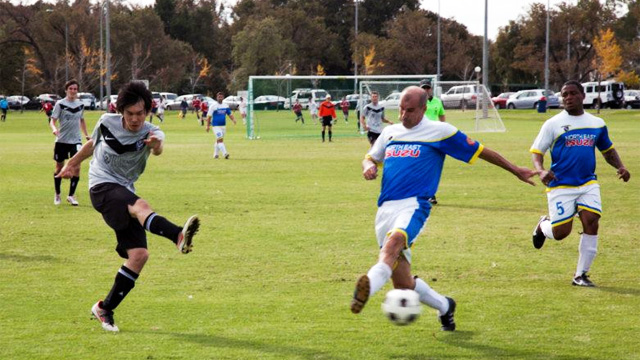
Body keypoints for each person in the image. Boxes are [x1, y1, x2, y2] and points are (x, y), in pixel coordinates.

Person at [351, 86, 538, 331]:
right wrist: (369, 167)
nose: (403, 116)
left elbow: (482, 151)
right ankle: (445, 306)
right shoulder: (390, 132)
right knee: (404, 285)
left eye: (409, 111)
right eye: (400, 110)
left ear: (424, 109)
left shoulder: (440, 132)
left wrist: (516, 170)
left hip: (415, 205)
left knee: (392, 245)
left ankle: (366, 288)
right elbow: (371, 157)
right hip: (385, 208)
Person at [56, 81, 200, 332]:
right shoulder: (106, 121)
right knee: (139, 205)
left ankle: (104, 308)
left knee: (139, 256)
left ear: (147, 112)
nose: (135, 119)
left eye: (140, 113)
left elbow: (158, 149)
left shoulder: (153, 132)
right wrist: (74, 163)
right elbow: (93, 144)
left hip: (124, 190)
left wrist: (154, 145)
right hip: (101, 186)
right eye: (130, 113)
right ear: (121, 111)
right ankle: (177, 235)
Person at [530, 80, 630, 287]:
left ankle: (580, 275)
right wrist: (540, 171)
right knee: (560, 233)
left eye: (572, 93)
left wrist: (620, 167)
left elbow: (608, 150)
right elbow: (537, 152)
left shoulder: (597, 124)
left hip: (587, 183)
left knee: (592, 221)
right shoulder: (553, 124)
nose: (568, 97)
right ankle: (542, 226)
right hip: (561, 185)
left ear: (583, 96)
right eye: (564, 94)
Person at [49, 79, 90, 206]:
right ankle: (57, 194)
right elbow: (52, 120)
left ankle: (71, 195)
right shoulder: (60, 104)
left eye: (75, 89)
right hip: (62, 141)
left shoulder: (80, 104)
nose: (73, 91)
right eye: (70, 89)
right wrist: (54, 129)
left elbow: (81, 120)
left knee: (77, 167)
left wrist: (86, 134)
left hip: (76, 140)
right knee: (59, 168)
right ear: (66, 90)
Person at [420, 79, 446, 205]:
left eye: (427, 88)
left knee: (432, 167)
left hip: (434, 138)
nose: (426, 90)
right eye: (423, 88)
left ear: (431, 89)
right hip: (420, 137)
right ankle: (427, 194)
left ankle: (429, 194)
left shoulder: (437, 102)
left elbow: (441, 115)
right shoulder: (416, 102)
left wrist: (443, 127)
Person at [206, 92, 237, 159]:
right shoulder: (213, 106)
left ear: (223, 97)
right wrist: (207, 126)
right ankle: (225, 153)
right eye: (219, 97)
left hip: (223, 126)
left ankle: (215, 154)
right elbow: (209, 116)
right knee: (220, 140)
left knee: (218, 140)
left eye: (221, 96)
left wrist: (233, 119)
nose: (220, 98)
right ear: (217, 97)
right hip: (215, 126)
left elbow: (229, 114)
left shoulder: (225, 105)